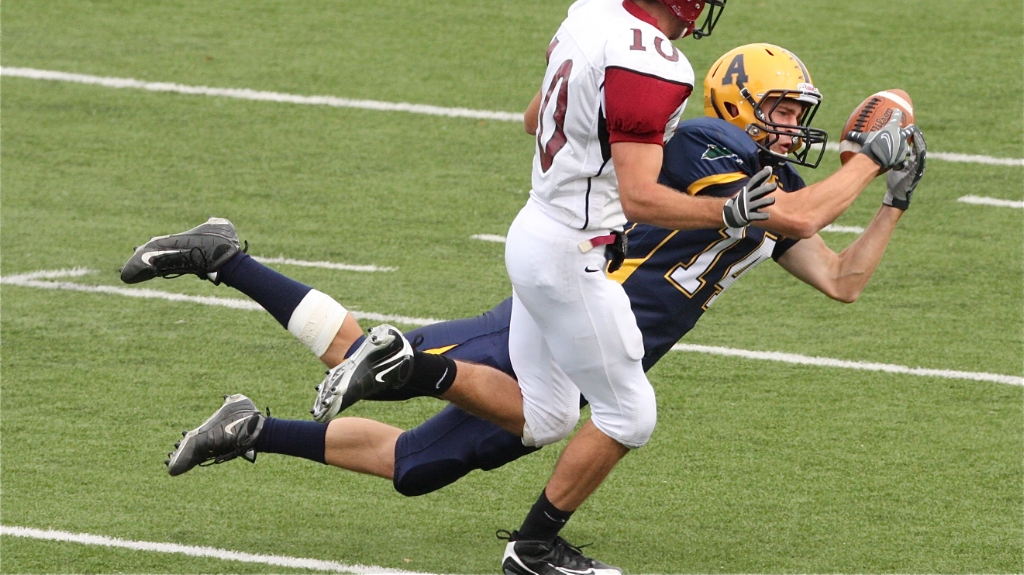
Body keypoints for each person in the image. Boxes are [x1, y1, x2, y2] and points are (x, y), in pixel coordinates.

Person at [121, 41, 924, 572]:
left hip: (586, 338)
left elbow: (842, 278)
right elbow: (805, 213)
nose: (793, 126)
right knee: (578, 410)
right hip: (570, 321)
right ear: (738, 102)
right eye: (782, 110)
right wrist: (863, 159)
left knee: (413, 464)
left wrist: (892, 198)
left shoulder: (770, 190)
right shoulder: (705, 143)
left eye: (798, 113)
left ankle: (249, 409)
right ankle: (537, 546)